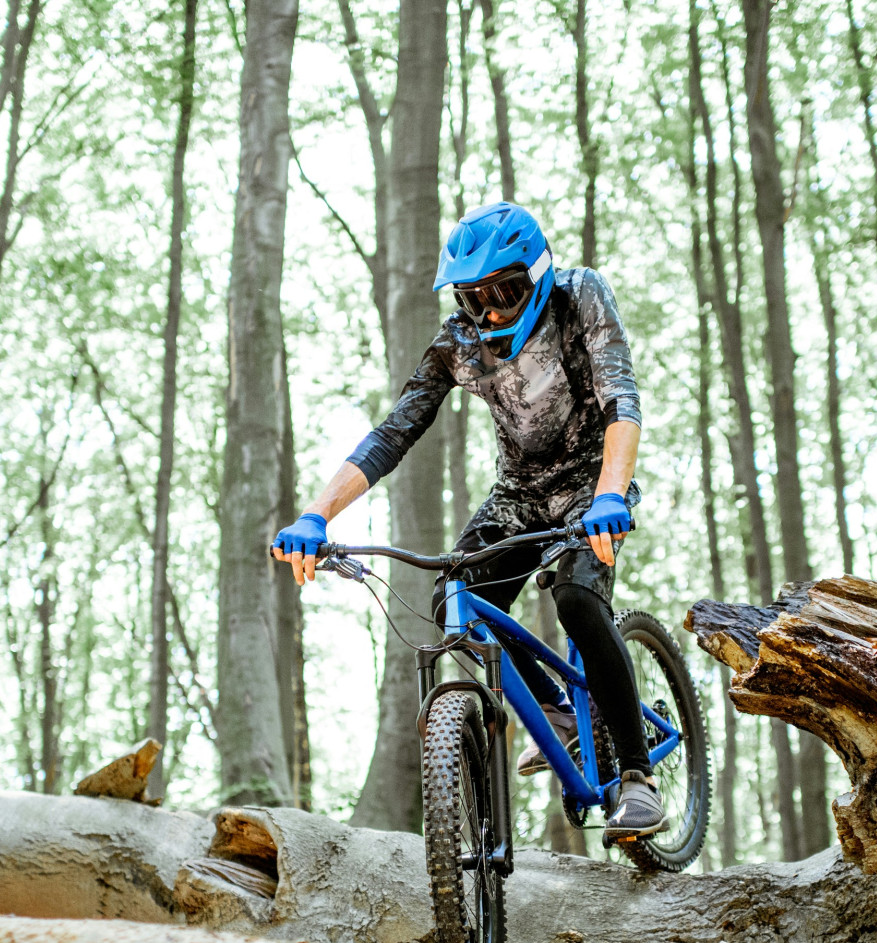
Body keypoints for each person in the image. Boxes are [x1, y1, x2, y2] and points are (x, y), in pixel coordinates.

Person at [271, 201, 666, 839]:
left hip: (594, 487)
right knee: (453, 598)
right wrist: (316, 515)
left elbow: (622, 397)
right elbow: (395, 431)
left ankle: (638, 777)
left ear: (536, 276)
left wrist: (610, 497)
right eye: (473, 298)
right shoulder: (459, 342)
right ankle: (555, 710)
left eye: (503, 293)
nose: (490, 314)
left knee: (576, 599)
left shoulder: (580, 297)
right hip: (519, 493)